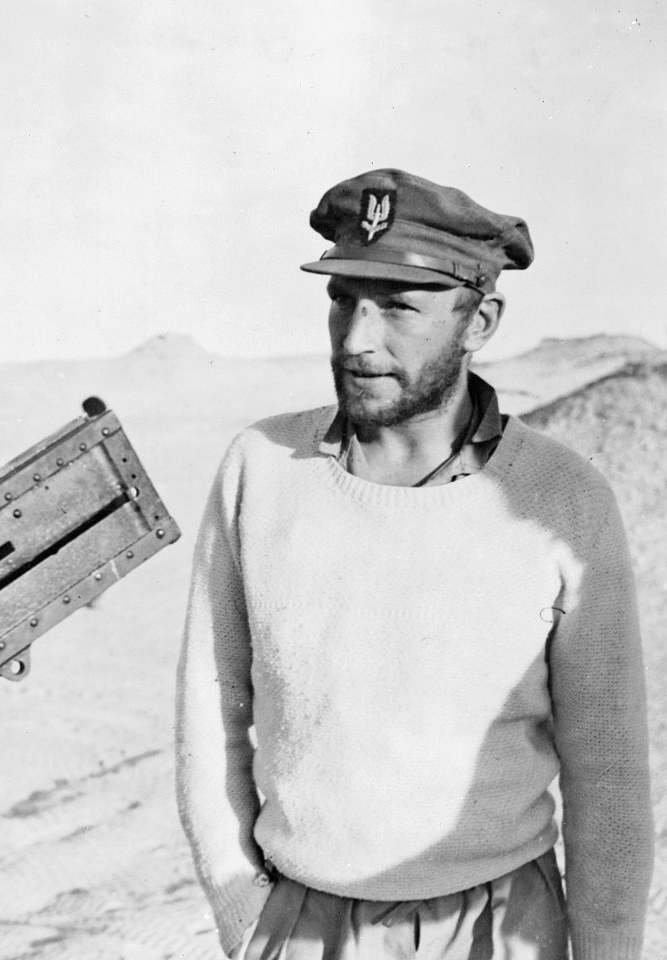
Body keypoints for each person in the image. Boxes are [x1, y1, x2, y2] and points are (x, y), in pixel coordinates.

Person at [175, 169, 653, 960]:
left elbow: (607, 776)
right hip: (301, 927)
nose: (356, 339)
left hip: (502, 933)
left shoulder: (563, 499)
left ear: (480, 320)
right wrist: (243, 911)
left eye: (397, 306)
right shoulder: (260, 468)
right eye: (342, 300)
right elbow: (208, 715)